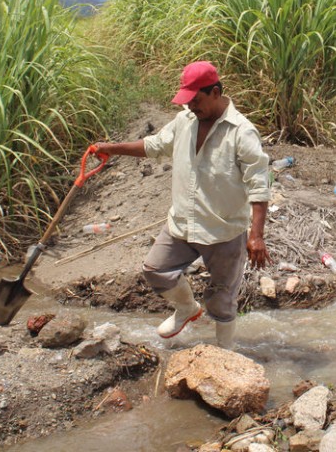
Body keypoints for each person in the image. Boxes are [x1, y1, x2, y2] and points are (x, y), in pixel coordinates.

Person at [93, 61, 270, 350]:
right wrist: (112, 148)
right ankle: (187, 308)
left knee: (222, 299)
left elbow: (259, 184)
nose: (191, 107)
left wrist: (257, 235)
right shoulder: (184, 121)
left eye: (196, 101)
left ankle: (225, 355)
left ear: (215, 92)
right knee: (155, 269)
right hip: (182, 223)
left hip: (222, 230)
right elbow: (154, 145)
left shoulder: (241, 132)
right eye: (187, 102)